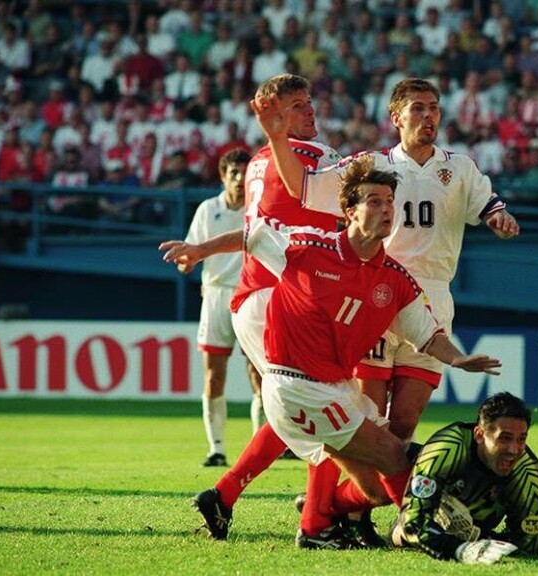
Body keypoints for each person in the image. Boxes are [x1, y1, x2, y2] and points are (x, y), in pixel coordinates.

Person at [161, 155, 503, 545]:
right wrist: (200, 250)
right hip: (294, 384)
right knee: (393, 452)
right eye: (374, 201)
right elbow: (251, 234)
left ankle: (303, 517)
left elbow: (427, 336)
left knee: (373, 490)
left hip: (337, 388)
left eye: (390, 201)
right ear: (349, 211)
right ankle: (422, 529)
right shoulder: (308, 245)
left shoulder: (395, 280)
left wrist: (457, 358)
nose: (386, 209)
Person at [254, 77, 520, 537]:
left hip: (431, 300)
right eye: (417, 108)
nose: (428, 116)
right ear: (396, 117)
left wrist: (498, 217)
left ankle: (341, 506)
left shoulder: (459, 168)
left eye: (434, 108)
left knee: (403, 425)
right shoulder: (371, 167)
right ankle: (349, 517)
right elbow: (303, 187)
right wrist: (278, 138)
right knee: (365, 422)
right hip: (374, 295)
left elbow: (488, 205)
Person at [159, 74, 352, 547]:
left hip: (254, 298)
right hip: (284, 299)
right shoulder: (311, 156)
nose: (311, 112)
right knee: (329, 408)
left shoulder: (259, 165)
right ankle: (317, 523)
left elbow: (257, 233)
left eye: (310, 102)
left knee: (297, 413)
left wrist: (202, 249)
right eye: (298, 105)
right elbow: (320, 213)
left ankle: (224, 497)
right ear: (274, 114)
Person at [176, 148, 263, 467]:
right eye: (233, 173)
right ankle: (217, 448)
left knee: (261, 373)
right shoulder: (207, 209)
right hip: (214, 296)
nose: (240, 179)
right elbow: (192, 251)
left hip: (250, 294)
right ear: (223, 176)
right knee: (214, 375)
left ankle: (261, 444)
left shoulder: (258, 207)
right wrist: (186, 263)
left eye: (244, 173)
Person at [390, 392, 538, 564]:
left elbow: (528, 543)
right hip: (431, 507)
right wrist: (458, 548)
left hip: (481, 529)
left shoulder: (528, 473)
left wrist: (482, 539)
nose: (514, 450)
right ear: (479, 434)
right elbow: (413, 524)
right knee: (401, 530)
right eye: (505, 438)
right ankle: (357, 518)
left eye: (521, 439)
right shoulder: (446, 448)